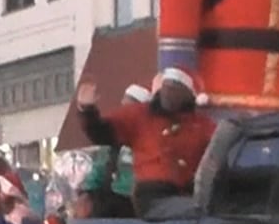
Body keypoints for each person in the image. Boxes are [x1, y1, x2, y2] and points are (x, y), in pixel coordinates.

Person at [74, 68, 216, 215]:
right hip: (152, 196)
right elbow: (102, 132)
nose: (168, 92)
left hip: (186, 193)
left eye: (175, 87)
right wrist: (87, 111)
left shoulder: (202, 125)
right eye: (166, 86)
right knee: (197, 209)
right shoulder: (141, 115)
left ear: (188, 94)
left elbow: (217, 153)